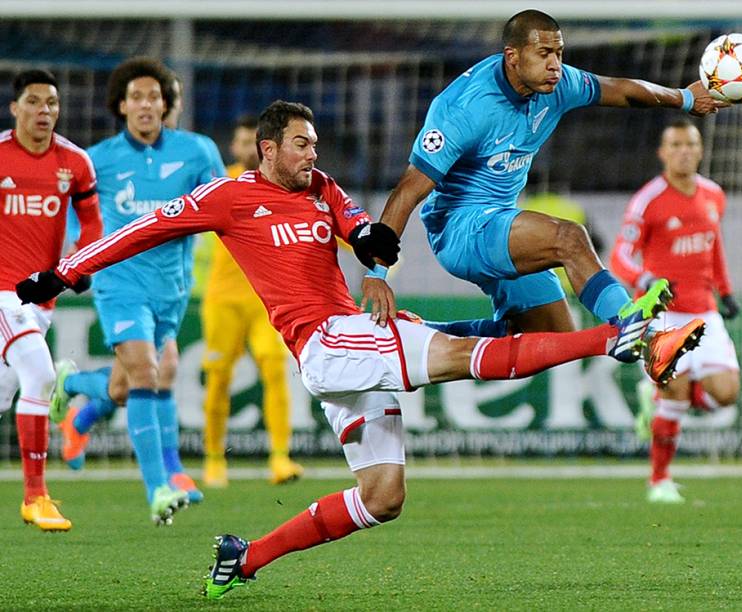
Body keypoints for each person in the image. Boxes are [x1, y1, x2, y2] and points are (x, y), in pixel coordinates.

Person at [16, 100, 703, 598]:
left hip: (350, 341)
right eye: (301, 144)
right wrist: (66, 272)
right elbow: (144, 230)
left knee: (382, 496)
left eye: (314, 144)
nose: (313, 153)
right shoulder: (228, 198)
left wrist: (370, 242)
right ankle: (623, 337)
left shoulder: (319, 189)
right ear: (268, 148)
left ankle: (244, 556)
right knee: (456, 358)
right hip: (324, 344)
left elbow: (355, 224)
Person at [362, 9, 726, 349]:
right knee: (569, 237)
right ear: (513, 56)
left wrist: (683, 99)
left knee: (552, 336)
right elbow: (409, 190)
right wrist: (378, 272)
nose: (555, 65)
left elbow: (620, 89)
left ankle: (418, 334)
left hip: (502, 222)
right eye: (544, 54)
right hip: (460, 228)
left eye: (559, 53)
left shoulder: (559, 84)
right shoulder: (464, 108)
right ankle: (635, 326)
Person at [48, 57, 220, 524]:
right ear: (121, 105)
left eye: (154, 96)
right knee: (151, 372)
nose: (146, 104)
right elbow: (72, 216)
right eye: (137, 96)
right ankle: (161, 486)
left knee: (132, 383)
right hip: (118, 282)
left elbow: (225, 207)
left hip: (172, 287)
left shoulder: (198, 152)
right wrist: (70, 260)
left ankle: (76, 391)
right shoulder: (98, 160)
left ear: (167, 105)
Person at [609, 119, 740, 503]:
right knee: (676, 388)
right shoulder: (647, 200)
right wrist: (644, 278)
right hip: (661, 316)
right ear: (663, 153)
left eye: (691, 144)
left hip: (704, 311)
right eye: (676, 144)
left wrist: (726, 290)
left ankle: (659, 400)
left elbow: (713, 246)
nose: (684, 151)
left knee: (726, 393)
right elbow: (620, 255)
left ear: (700, 150)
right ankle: (659, 480)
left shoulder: (714, 195)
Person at [0, 69, 103, 531]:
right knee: (40, 376)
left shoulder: (75, 162)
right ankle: (35, 496)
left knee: (7, 396)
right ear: (15, 107)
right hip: (4, 296)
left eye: (53, 103)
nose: (45, 111)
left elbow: (94, 226)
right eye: (35, 102)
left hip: (39, 303)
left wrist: (77, 266)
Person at [196, 114, 303, 487]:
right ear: (233, 147)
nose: (247, 149)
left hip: (265, 302)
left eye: (252, 143)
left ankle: (280, 458)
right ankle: (213, 460)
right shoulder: (219, 185)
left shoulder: (282, 186)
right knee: (219, 379)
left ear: (265, 147)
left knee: (275, 371)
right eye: (241, 142)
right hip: (222, 301)